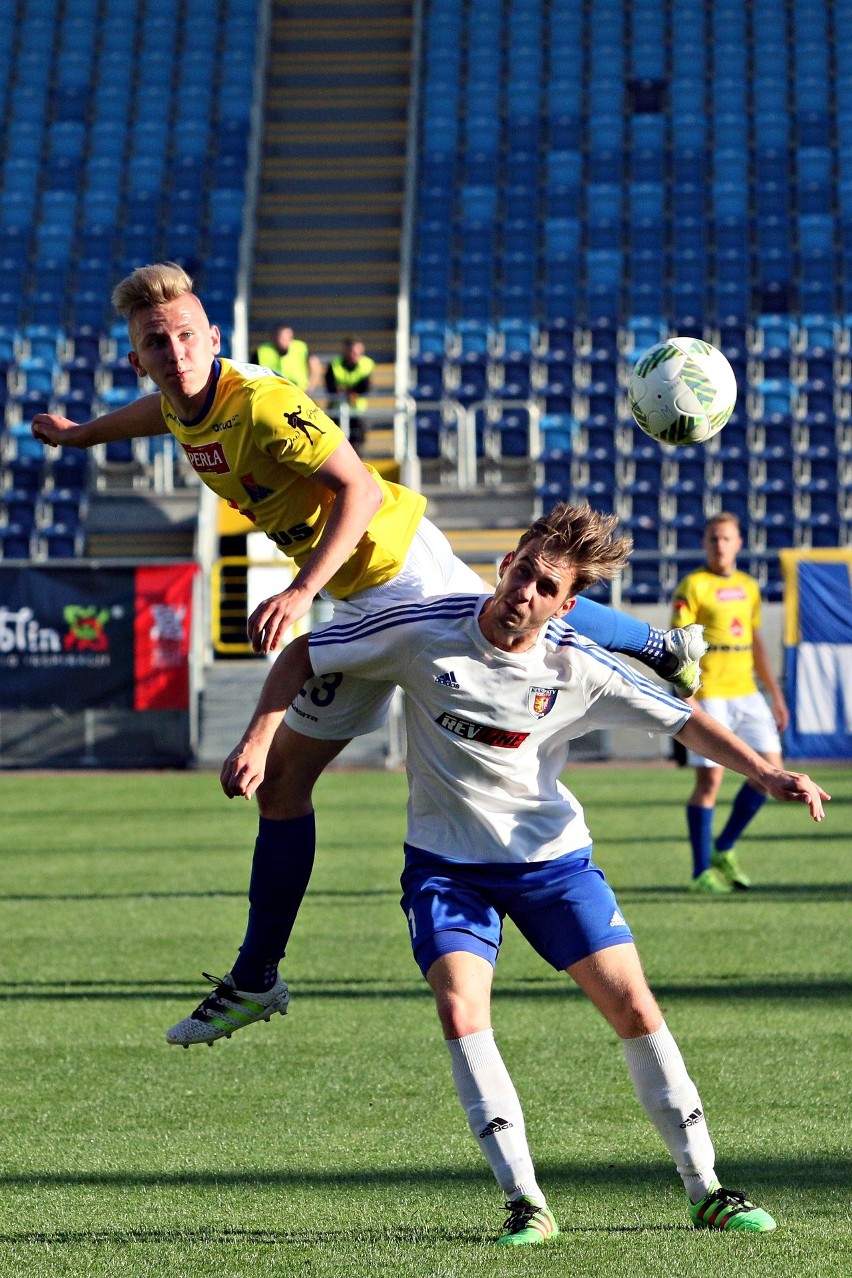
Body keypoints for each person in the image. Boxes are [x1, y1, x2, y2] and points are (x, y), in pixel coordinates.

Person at [31, 262, 706, 1048]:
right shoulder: (184, 400)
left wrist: (298, 590)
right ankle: (257, 978)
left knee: (522, 614)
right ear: (138, 356)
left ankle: (660, 646)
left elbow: (353, 486)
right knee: (282, 786)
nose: (176, 351)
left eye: (187, 337)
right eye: (158, 341)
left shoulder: (264, 404)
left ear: (214, 339)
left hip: (397, 570)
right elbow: (162, 414)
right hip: (356, 589)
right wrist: (83, 434)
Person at [225, 502, 827, 1244]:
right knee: (461, 1010)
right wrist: (258, 741)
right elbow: (307, 654)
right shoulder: (425, 627)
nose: (525, 592)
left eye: (546, 586)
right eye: (522, 570)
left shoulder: (576, 664)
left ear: (567, 603)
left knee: (634, 1009)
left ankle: (708, 1189)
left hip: (552, 866)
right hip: (448, 870)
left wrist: (766, 773)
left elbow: (681, 717)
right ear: (506, 561)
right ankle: (526, 1202)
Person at [670, 512, 791, 894]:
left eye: (726, 538)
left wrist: (775, 694)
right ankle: (700, 871)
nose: (719, 545)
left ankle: (724, 847)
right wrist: (688, 694)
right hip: (710, 693)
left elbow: (755, 643)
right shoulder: (693, 586)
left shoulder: (748, 586)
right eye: (713, 539)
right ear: (705, 544)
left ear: (739, 543)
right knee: (711, 779)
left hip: (746, 691)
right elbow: (678, 643)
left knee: (772, 772)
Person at [324, 336, 375, 455]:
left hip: (357, 411)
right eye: (352, 352)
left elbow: (365, 388)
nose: (355, 355)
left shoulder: (366, 365)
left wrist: (345, 390)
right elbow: (330, 388)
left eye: (358, 352)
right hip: (337, 410)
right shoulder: (334, 365)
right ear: (345, 350)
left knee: (356, 445)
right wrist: (350, 391)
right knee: (334, 446)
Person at [255, 323, 321, 394]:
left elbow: (314, 364)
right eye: (283, 338)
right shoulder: (263, 350)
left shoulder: (300, 347)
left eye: (289, 338)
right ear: (274, 338)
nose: (286, 341)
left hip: (298, 391)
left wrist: (310, 388)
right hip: (272, 391)